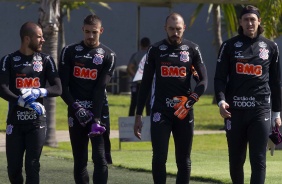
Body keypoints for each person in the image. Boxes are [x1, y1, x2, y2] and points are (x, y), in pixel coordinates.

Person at [134, 13, 208, 184]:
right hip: (161, 111)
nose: (175, 33)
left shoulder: (192, 49)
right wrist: (138, 115)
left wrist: (190, 101)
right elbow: (145, 84)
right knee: (159, 157)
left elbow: (203, 80)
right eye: (172, 29)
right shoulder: (155, 50)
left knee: (184, 159)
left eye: (178, 29)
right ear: (165, 29)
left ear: (184, 29)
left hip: (184, 111)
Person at [214, 5, 281, 184]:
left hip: (260, 111)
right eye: (246, 19)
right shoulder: (228, 46)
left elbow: (275, 83)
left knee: (258, 160)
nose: (250, 23)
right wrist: (221, 102)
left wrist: (276, 114)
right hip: (234, 111)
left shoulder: (271, 47)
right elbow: (219, 78)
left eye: (253, 19)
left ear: (259, 21)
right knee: (236, 160)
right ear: (240, 22)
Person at [0, 22, 62, 184]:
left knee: (32, 166)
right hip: (15, 122)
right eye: (39, 36)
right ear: (27, 39)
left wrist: (40, 91)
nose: (43, 40)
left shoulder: (46, 60)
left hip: (36, 123)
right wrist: (22, 102)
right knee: (13, 169)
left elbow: (58, 88)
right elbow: (3, 89)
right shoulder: (8, 60)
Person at [59, 14, 116, 184]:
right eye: (87, 32)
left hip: (98, 110)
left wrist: (96, 118)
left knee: (99, 158)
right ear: (82, 30)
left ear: (101, 31)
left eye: (94, 32)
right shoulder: (69, 51)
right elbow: (63, 86)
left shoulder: (108, 55)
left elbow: (100, 88)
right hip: (76, 111)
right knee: (80, 159)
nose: (91, 36)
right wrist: (77, 108)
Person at [127, 37, 151, 116]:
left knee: (134, 103)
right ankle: (149, 122)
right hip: (148, 82)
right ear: (149, 45)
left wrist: (135, 76)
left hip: (137, 83)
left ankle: (130, 121)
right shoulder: (151, 55)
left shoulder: (136, 55)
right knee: (149, 104)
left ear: (140, 45)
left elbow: (130, 68)